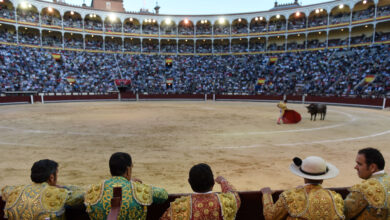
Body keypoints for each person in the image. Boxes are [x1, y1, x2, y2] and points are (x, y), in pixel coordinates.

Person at [84, 152, 168, 220]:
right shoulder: (139, 189)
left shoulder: (93, 190)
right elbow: (163, 195)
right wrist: (135, 184)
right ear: (128, 170)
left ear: (110, 170)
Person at [261, 156, 345, 220]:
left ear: (304, 176)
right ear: (323, 177)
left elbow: (270, 216)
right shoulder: (336, 198)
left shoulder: (291, 196)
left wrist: (266, 194)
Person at [1, 159, 84, 220]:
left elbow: (4, 190)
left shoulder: (15, 191)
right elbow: (82, 194)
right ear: (52, 177)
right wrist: (64, 188)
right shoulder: (59, 193)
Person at [160, 163, 241, 220]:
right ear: (213, 182)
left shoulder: (179, 207)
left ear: (189, 182)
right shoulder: (227, 202)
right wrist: (223, 181)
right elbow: (233, 194)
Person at [344, 147, 390, 219]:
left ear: (372, 167)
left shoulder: (363, 189)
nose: (355, 167)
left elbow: (344, 212)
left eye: (359, 164)